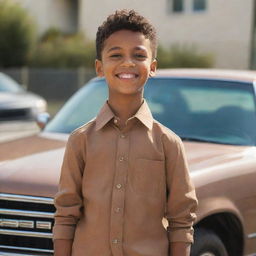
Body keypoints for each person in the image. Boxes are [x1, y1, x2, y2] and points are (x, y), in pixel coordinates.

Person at [53, 9, 198, 256]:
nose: (127, 63)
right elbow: (66, 215)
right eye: (116, 54)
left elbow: (182, 221)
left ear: (152, 67)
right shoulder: (80, 141)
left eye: (138, 55)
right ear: (100, 67)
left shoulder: (168, 144)